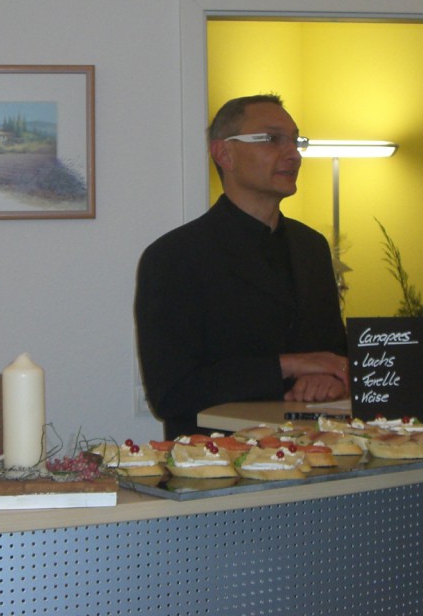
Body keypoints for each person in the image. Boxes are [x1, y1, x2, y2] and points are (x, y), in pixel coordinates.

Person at [134, 93, 349, 439]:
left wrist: (330, 378)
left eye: (296, 141)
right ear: (224, 153)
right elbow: (172, 393)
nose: (293, 154)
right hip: (217, 459)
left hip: (316, 450)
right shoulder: (174, 256)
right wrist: (291, 365)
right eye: (272, 139)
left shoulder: (312, 247)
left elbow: (334, 353)